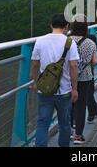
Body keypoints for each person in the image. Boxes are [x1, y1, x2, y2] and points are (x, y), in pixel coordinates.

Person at [31, 13, 80, 147]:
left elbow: (35, 64)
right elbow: (74, 66)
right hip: (64, 91)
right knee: (64, 123)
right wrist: (74, 89)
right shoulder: (70, 42)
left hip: (45, 90)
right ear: (66, 26)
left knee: (42, 123)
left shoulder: (40, 41)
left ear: (51, 25)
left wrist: (35, 83)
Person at [69, 15, 97, 144]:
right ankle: (78, 136)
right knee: (81, 105)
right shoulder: (90, 42)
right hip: (85, 77)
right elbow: (96, 61)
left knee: (68, 104)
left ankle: (70, 129)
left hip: (68, 77)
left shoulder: (67, 41)